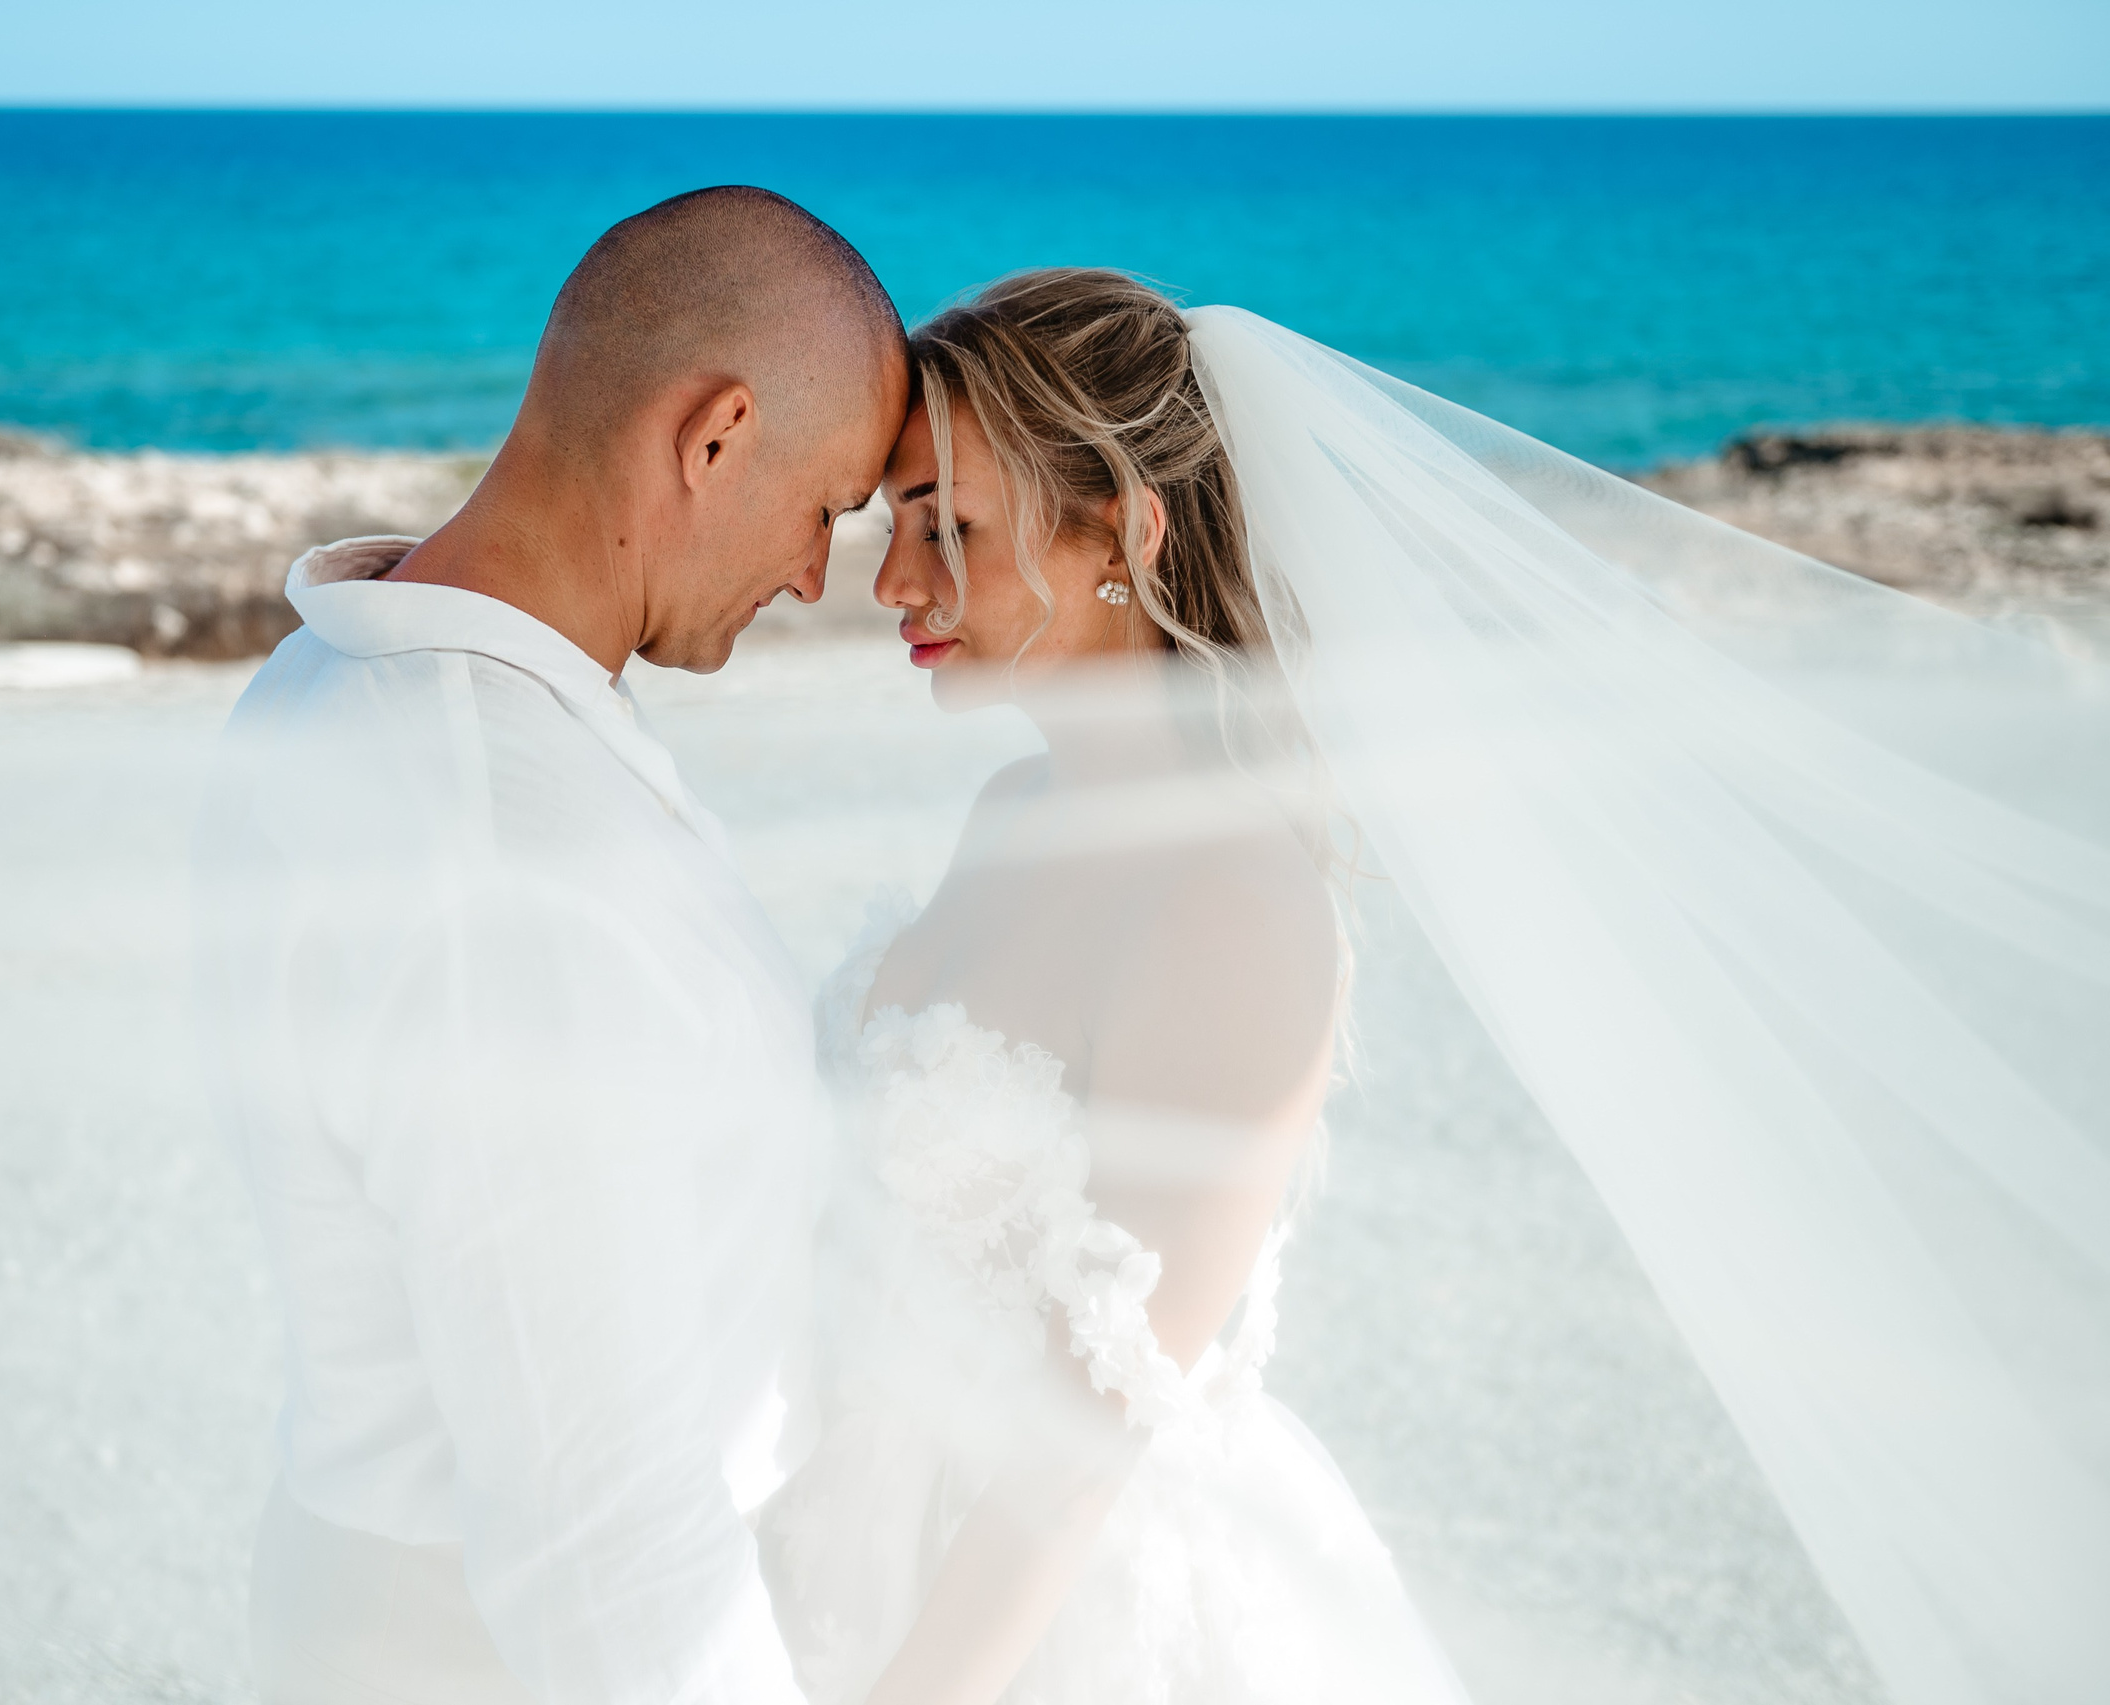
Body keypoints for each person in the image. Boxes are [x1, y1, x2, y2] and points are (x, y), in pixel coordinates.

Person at [759, 270, 2110, 1705]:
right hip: (855, 1534)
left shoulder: (1233, 903)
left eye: (946, 525)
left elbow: (1086, 1440)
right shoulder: (1014, 814)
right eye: (893, 524)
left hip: (1040, 1627)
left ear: (1127, 533)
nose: (892, 584)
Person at [196, 186, 907, 1705]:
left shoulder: (338, 675)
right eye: (828, 509)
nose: (812, 577)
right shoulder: (503, 859)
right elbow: (601, 1527)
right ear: (715, 436)